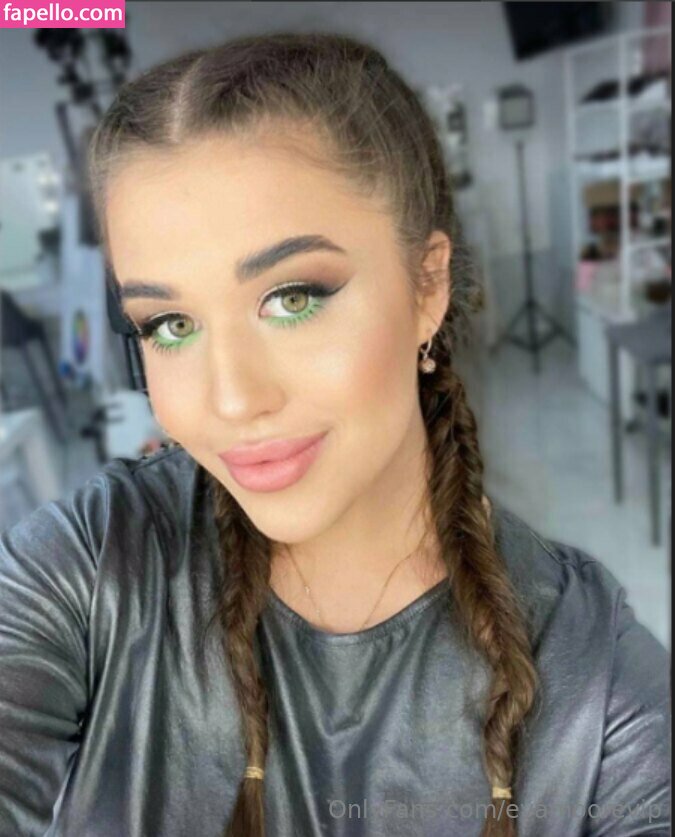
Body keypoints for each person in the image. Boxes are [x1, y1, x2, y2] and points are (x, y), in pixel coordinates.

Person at [0, 32, 670, 837]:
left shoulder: (598, 689)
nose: (231, 399)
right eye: (169, 323)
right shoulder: (91, 565)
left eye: (292, 298)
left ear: (426, 285)